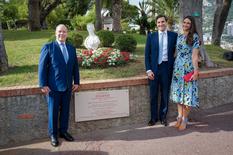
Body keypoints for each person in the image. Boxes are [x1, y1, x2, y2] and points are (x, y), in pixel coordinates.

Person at [38, 24, 80, 147]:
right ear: (55, 33)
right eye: (59, 31)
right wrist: (43, 84)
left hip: (68, 87)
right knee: (53, 112)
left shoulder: (71, 48)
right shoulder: (48, 47)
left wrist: (76, 82)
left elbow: (75, 67)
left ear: (67, 33)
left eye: (64, 32)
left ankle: (63, 132)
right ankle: (53, 135)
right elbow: (42, 67)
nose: (62, 34)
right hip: (53, 88)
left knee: (65, 111)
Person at [145, 15, 178, 126]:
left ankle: (163, 117)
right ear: (156, 24)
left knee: (165, 93)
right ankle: (153, 118)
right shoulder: (151, 36)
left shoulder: (174, 35)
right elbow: (146, 55)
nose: (160, 24)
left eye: (162, 22)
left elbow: (180, 48)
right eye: (158, 22)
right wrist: (148, 70)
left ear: (166, 22)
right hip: (154, 69)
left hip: (166, 68)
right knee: (153, 94)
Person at [170, 16, 200, 131]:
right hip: (177, 69)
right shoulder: (180, 36)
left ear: (191, 25)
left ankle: (185, 119)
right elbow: (176, 53)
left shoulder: (195, 37)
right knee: (178, 96)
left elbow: (195, 55)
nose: (186, 24)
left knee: (187, 96)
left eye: (188, 23)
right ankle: (179, 117)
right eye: (184, 22)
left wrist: (196, 71)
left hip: (188, 69)